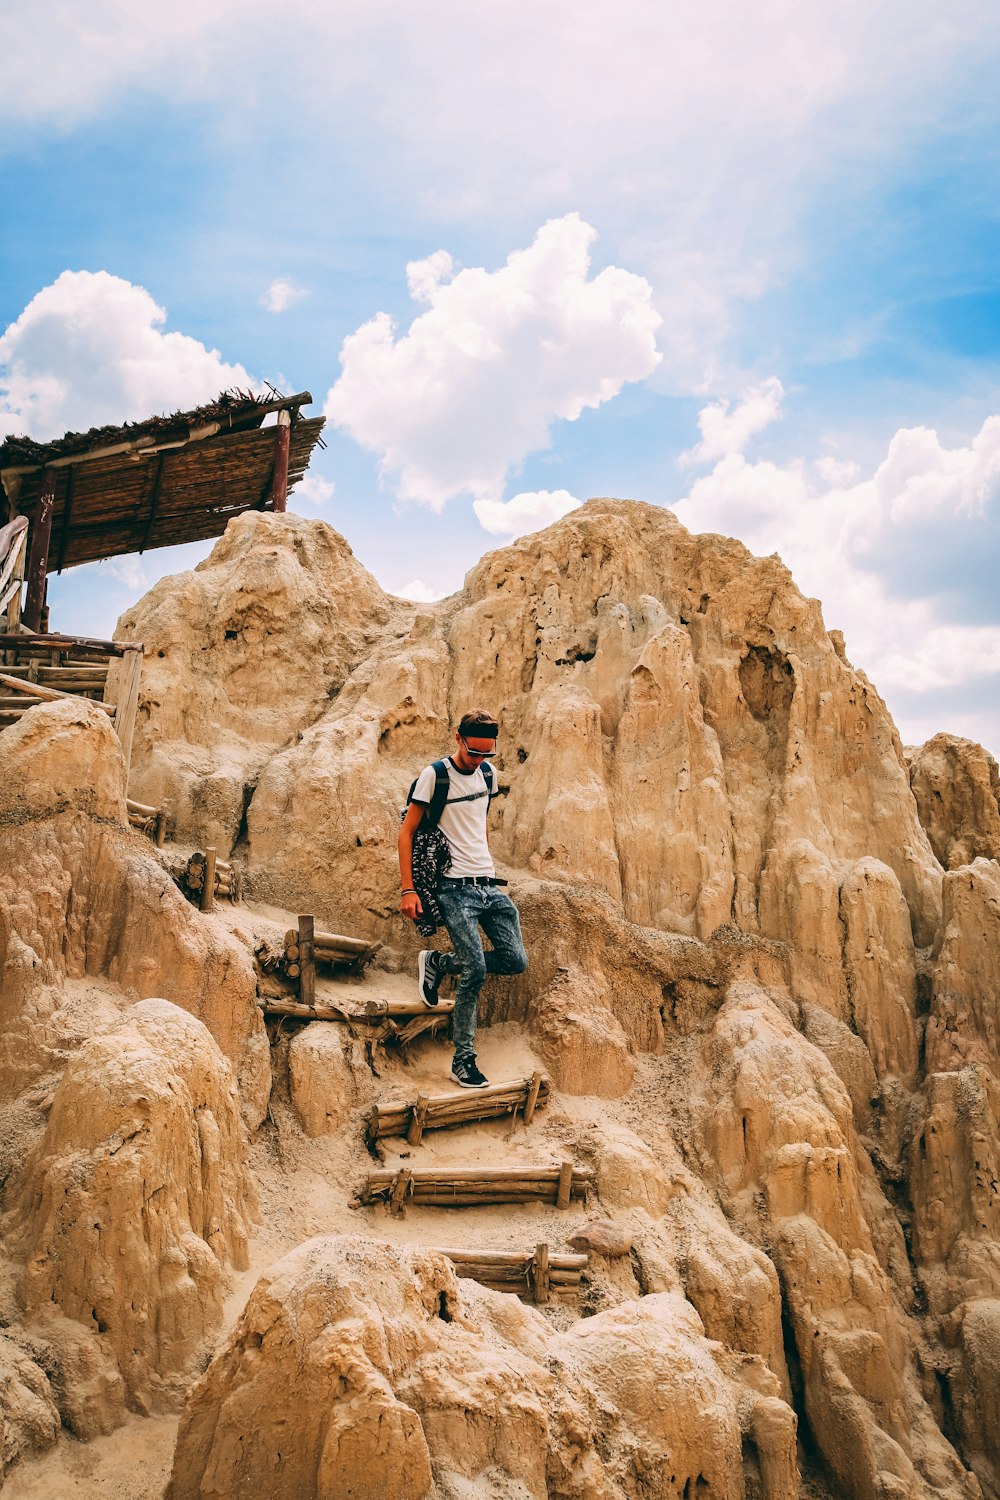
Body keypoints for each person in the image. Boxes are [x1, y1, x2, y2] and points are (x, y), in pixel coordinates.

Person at [398, 709, 528, 1087]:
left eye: (487, 755)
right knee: (476, 970)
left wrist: (484, 860)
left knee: (515, 959)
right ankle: (463, 1061)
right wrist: (409, 889)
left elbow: (479, 820)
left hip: (488, 884)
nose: (480, 762)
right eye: (474, 753)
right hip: (453, 889)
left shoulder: (488, 774)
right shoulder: (434, 776)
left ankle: (438, 963)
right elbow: (406, 833)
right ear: (458, 739)